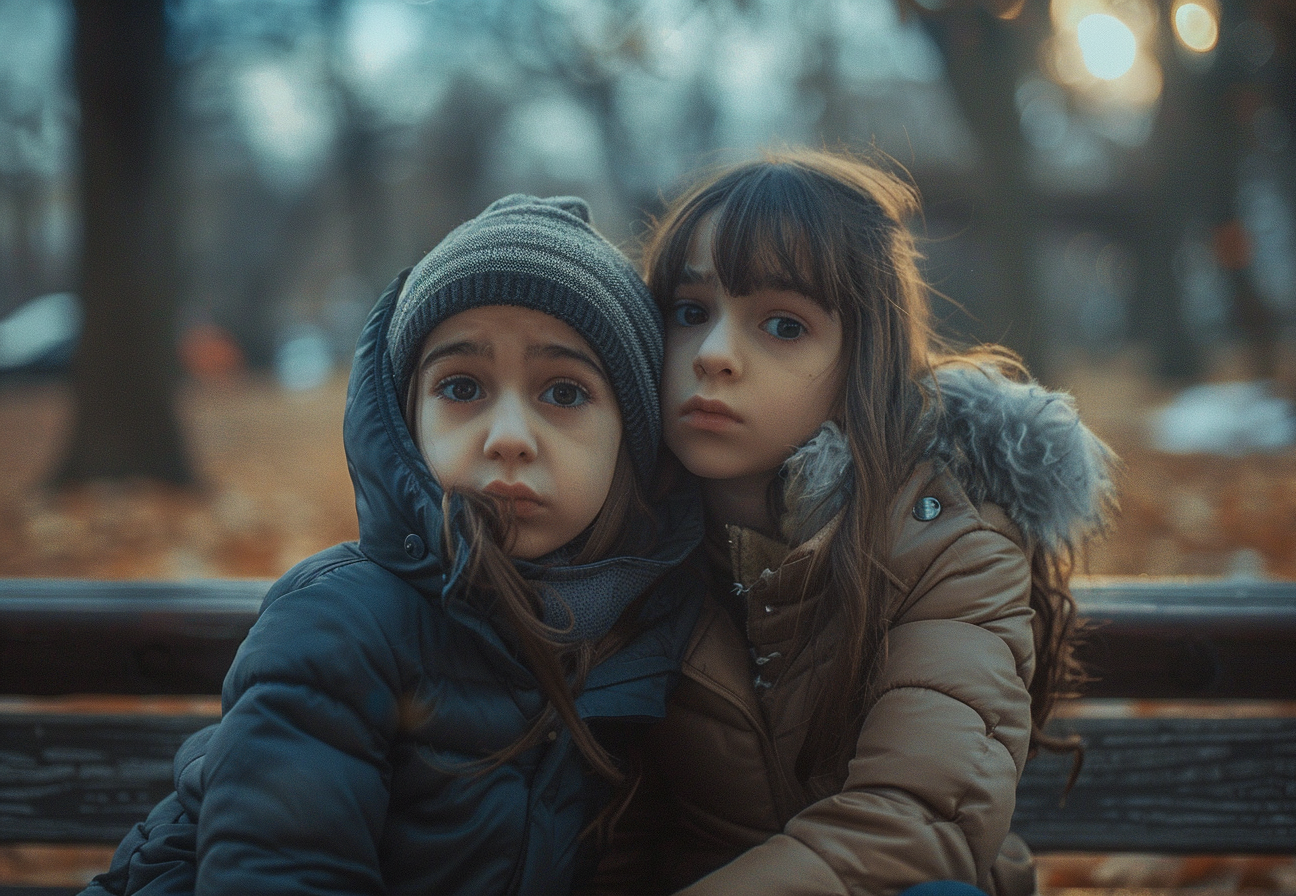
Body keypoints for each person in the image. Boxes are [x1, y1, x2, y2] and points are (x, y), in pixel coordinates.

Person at [80, 194, 703, 896]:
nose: (508, 436)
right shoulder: (343, 624)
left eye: (563, 393)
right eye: (462, 386)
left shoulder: (641, 633)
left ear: (633, 441)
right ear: (407, 423)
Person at [588, 149, 1118, 896]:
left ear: (860, 364)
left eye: (781, 323)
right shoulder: (624, 553)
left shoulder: (947, 544)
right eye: (690, 311)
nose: (714, 355)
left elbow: (923, 823)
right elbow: (605, 829)